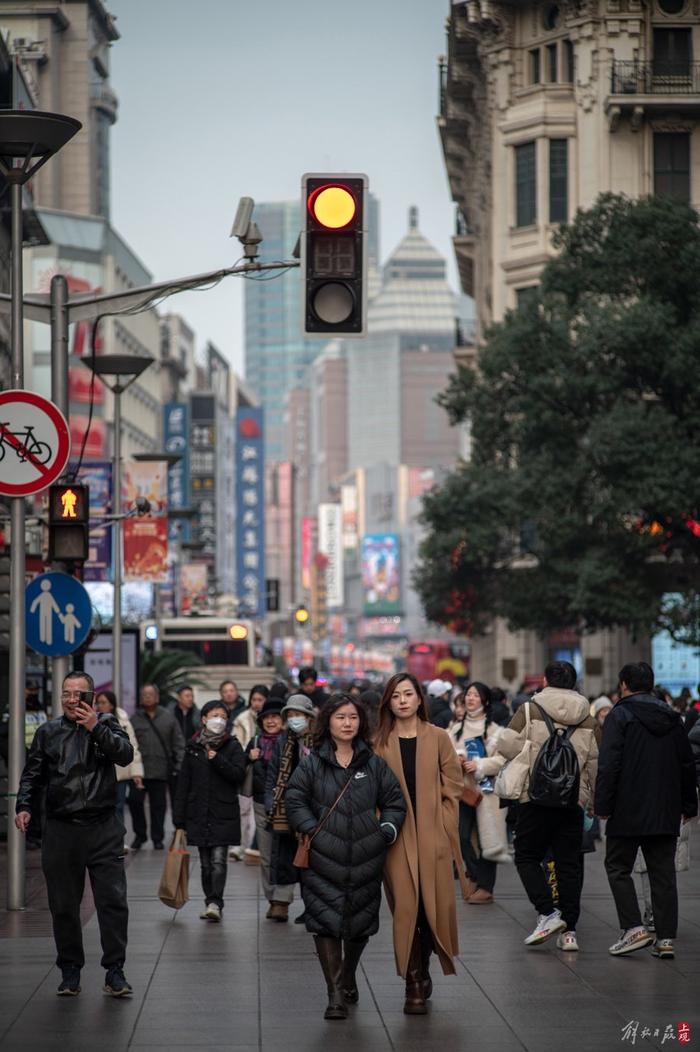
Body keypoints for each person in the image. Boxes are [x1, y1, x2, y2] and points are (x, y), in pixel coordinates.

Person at [286, 693, 406, 1020]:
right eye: (340, 717)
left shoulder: (373, 763)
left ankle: (349, 973)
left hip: (367, 860)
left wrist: (385, 832)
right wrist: (313, 830)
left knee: (359, 927)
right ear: (329, 721)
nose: (347, 723)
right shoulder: (312, 763)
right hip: (322, 860)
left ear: (361, 721)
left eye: (352, 717)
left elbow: (395, 802)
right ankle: (335, 992)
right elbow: (294, 800)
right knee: (325, 925)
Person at [15, 671, 134, 997]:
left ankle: (115, 971)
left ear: (91, 698)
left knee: (113, 902)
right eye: (66, 693)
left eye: (77, 694)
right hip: (62, 830)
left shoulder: (106, 724)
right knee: (64, 905)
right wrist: (23, 806)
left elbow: (125, 755)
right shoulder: (48, 732)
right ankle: (70, 970)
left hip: (103, 828)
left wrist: (95, 727)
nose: (71, 700)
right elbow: (32, 776)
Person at [374, 672, 469, 1015]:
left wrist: (444, 825)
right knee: (406, 909)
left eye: (408, 694)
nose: (402, 700)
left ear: (419, 699)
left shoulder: (438, 736)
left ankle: (424, 967)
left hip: (432, 834)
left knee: (432, 910)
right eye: (396, 695)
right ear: (389, 701)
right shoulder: (379, 741)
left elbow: (454, 786)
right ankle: (413, 981)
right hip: (395, 838)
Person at [595, 661, 697, 959]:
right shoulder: (672, 717)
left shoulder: (620, 715)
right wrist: (689, 804)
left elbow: (609, 763)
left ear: (624, 684)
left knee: (617, 867)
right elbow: (685, 763)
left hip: (627, 807)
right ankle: (665, 939)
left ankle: (633, 928)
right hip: (665, 807)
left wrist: (603, 804)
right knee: (663, 873)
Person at [495, 661, 599, 951]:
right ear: (574, 682)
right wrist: (586, 797)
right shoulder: (588, 716)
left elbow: (507, 746)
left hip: (535, 797)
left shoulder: (529, 709)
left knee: (527, 855)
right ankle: (570, 932)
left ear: (544, 680)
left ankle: (547, 911)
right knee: (569, 864)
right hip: (572, 800)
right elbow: (594, 760)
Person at [173, 700, 246, 922]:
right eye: (215, 715)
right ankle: (209, 900)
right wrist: (179, 819)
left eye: (223, 717)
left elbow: (238, 775)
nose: (219, 720)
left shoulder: (232, 745)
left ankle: (216, 902)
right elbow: (184, 783)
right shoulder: (193, 747)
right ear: (204, 718)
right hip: (198, 812)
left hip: (223, 813)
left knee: (218, 861)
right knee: (205, 864)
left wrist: (218, 760)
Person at [449, 681, 509, 905]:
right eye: (468, 695)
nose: (470, 698)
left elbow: (503, 759)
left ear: (485, 700)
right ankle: (474, 876)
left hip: (487, 794)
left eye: (475, 695)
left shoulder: (495, 730)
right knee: (462, 837)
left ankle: (486, 887)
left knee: (488, 841)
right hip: (462, 791)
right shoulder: (454, 728)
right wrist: (457, 759)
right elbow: (443, 753)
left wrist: (480, 765)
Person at [264, 694, 316, 924]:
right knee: (285, 857)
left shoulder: (321, 742)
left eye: (299, 715)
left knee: (310, 859)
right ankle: (281, 904)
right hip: (285, 809)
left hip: (313, 808)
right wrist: (269, 803)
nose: (295, 719)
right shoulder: (283, 742)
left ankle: (311, 907)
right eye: (291, 715)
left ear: (309, 717)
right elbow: (273, 775)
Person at [245, 696, 292, 920]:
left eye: (275, 717)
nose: (271, 721)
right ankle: (272, 898)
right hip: (261, 803)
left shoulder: (292, 742)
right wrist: (247, 758)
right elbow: (238, 771)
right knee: (265, 855)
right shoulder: (254, 743)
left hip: (287, 805)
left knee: (285, 853)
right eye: (267, 718)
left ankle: (282, 901)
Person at [129, 684, 185, 850]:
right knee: (135, 802)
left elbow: (178, 743)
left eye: (150, 694)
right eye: (144, 694)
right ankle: (140, 835)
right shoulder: (134, 719)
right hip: (139, 771)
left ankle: (157, 838)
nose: (147, 697)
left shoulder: (168, 718)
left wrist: (179, 765)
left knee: (159, 806)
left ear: (157, 697)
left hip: (161, 770)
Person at [232, 684, 269, 862]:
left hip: (265, 772)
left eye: (260, 699)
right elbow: (236, 745)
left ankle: (255, 846)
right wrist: (247, 756)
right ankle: (242, 845)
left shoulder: (274, 720)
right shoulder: (241, 719)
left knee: (258, 812)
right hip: (247, 769)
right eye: (254, 699)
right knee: (244, 809)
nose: (256, 703)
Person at [94, 690, 144, 826]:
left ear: (112, 705)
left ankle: (119, 839)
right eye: (98, 703)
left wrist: (136, 773)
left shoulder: (124, 721)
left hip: (121, 772)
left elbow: (132, 746)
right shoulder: (92, 721)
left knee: (119, 806)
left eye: (103, 702)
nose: (100, 706)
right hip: (100, 771)